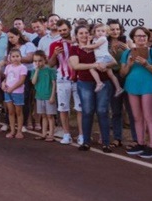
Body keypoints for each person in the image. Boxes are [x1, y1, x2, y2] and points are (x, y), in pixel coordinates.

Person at [120, 26, 152, 159]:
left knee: (149, 117)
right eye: (138, 36)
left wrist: (146, 64)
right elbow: (122, 74)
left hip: (149, 87)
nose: (141, 38)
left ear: (147, 38)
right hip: (132, 87)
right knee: (137, 117)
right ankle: (140, 143)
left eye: (144, 36)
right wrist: (129, 64)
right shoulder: (127, 53)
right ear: (133, 38)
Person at [69, 24, 115, 152]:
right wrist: (94, 64)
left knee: (102, 111)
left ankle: (106, 143)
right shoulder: (74, 49)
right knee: (87, 111)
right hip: (85, 83)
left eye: (86, 33)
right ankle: (86, 142)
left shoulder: (98, 45)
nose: (84, 35)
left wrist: (105, 64)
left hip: (103, 82)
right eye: (81, 33)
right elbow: (76, 66)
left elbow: (113, 62)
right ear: (76, 36)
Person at [48, 19, 83, 146]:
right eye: (60, 30)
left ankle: (81, 135)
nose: (63, 32)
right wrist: (54, 55)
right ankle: (66, 134)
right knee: (63, 108)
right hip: (62, 80)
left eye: (65, 29)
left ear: (69, 29)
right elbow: (50, 64)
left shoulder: (77, 42)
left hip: (79, 79)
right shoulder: (54, 45)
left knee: (80, 108)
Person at [82, 24, 124, 96]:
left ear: (106, 33)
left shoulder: (103, 39)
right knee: (110, 74)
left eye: (103, 31)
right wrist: (88, 41)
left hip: (103, 57)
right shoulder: (95, 39)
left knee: (91, 69)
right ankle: (119, 88)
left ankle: (99, 83)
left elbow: (94, 46)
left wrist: (85, 45)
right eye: (98, 31)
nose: (100, 32)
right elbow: (88, 49)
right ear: (94, 32)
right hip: (103, 58)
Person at [31, 50, 57, 142]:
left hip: (48, 95)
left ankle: (51, 134)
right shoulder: (34, 70)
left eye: (40, 60)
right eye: (35, 61)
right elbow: (33, 82)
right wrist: (37, 71)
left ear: (45, 60)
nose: (38, 63)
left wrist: (52, 96)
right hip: (39, 96)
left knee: (50, 116)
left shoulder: (50, 70)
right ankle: (43, 133)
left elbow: (54, 83)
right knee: (43, 115)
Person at [2, 48, 27, 139]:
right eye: (13, 56)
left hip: (18, 92)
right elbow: (6, 78)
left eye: (17, 56)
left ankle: (19, 131)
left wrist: (12, 88)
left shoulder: (23, 67)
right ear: (10, 58)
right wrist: (3, 84)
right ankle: (12, 130)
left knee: (19, 112)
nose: (15, 58)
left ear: (20, 57)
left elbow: (21, 80)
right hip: (7, 92)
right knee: (11, 112)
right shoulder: (8, 67)